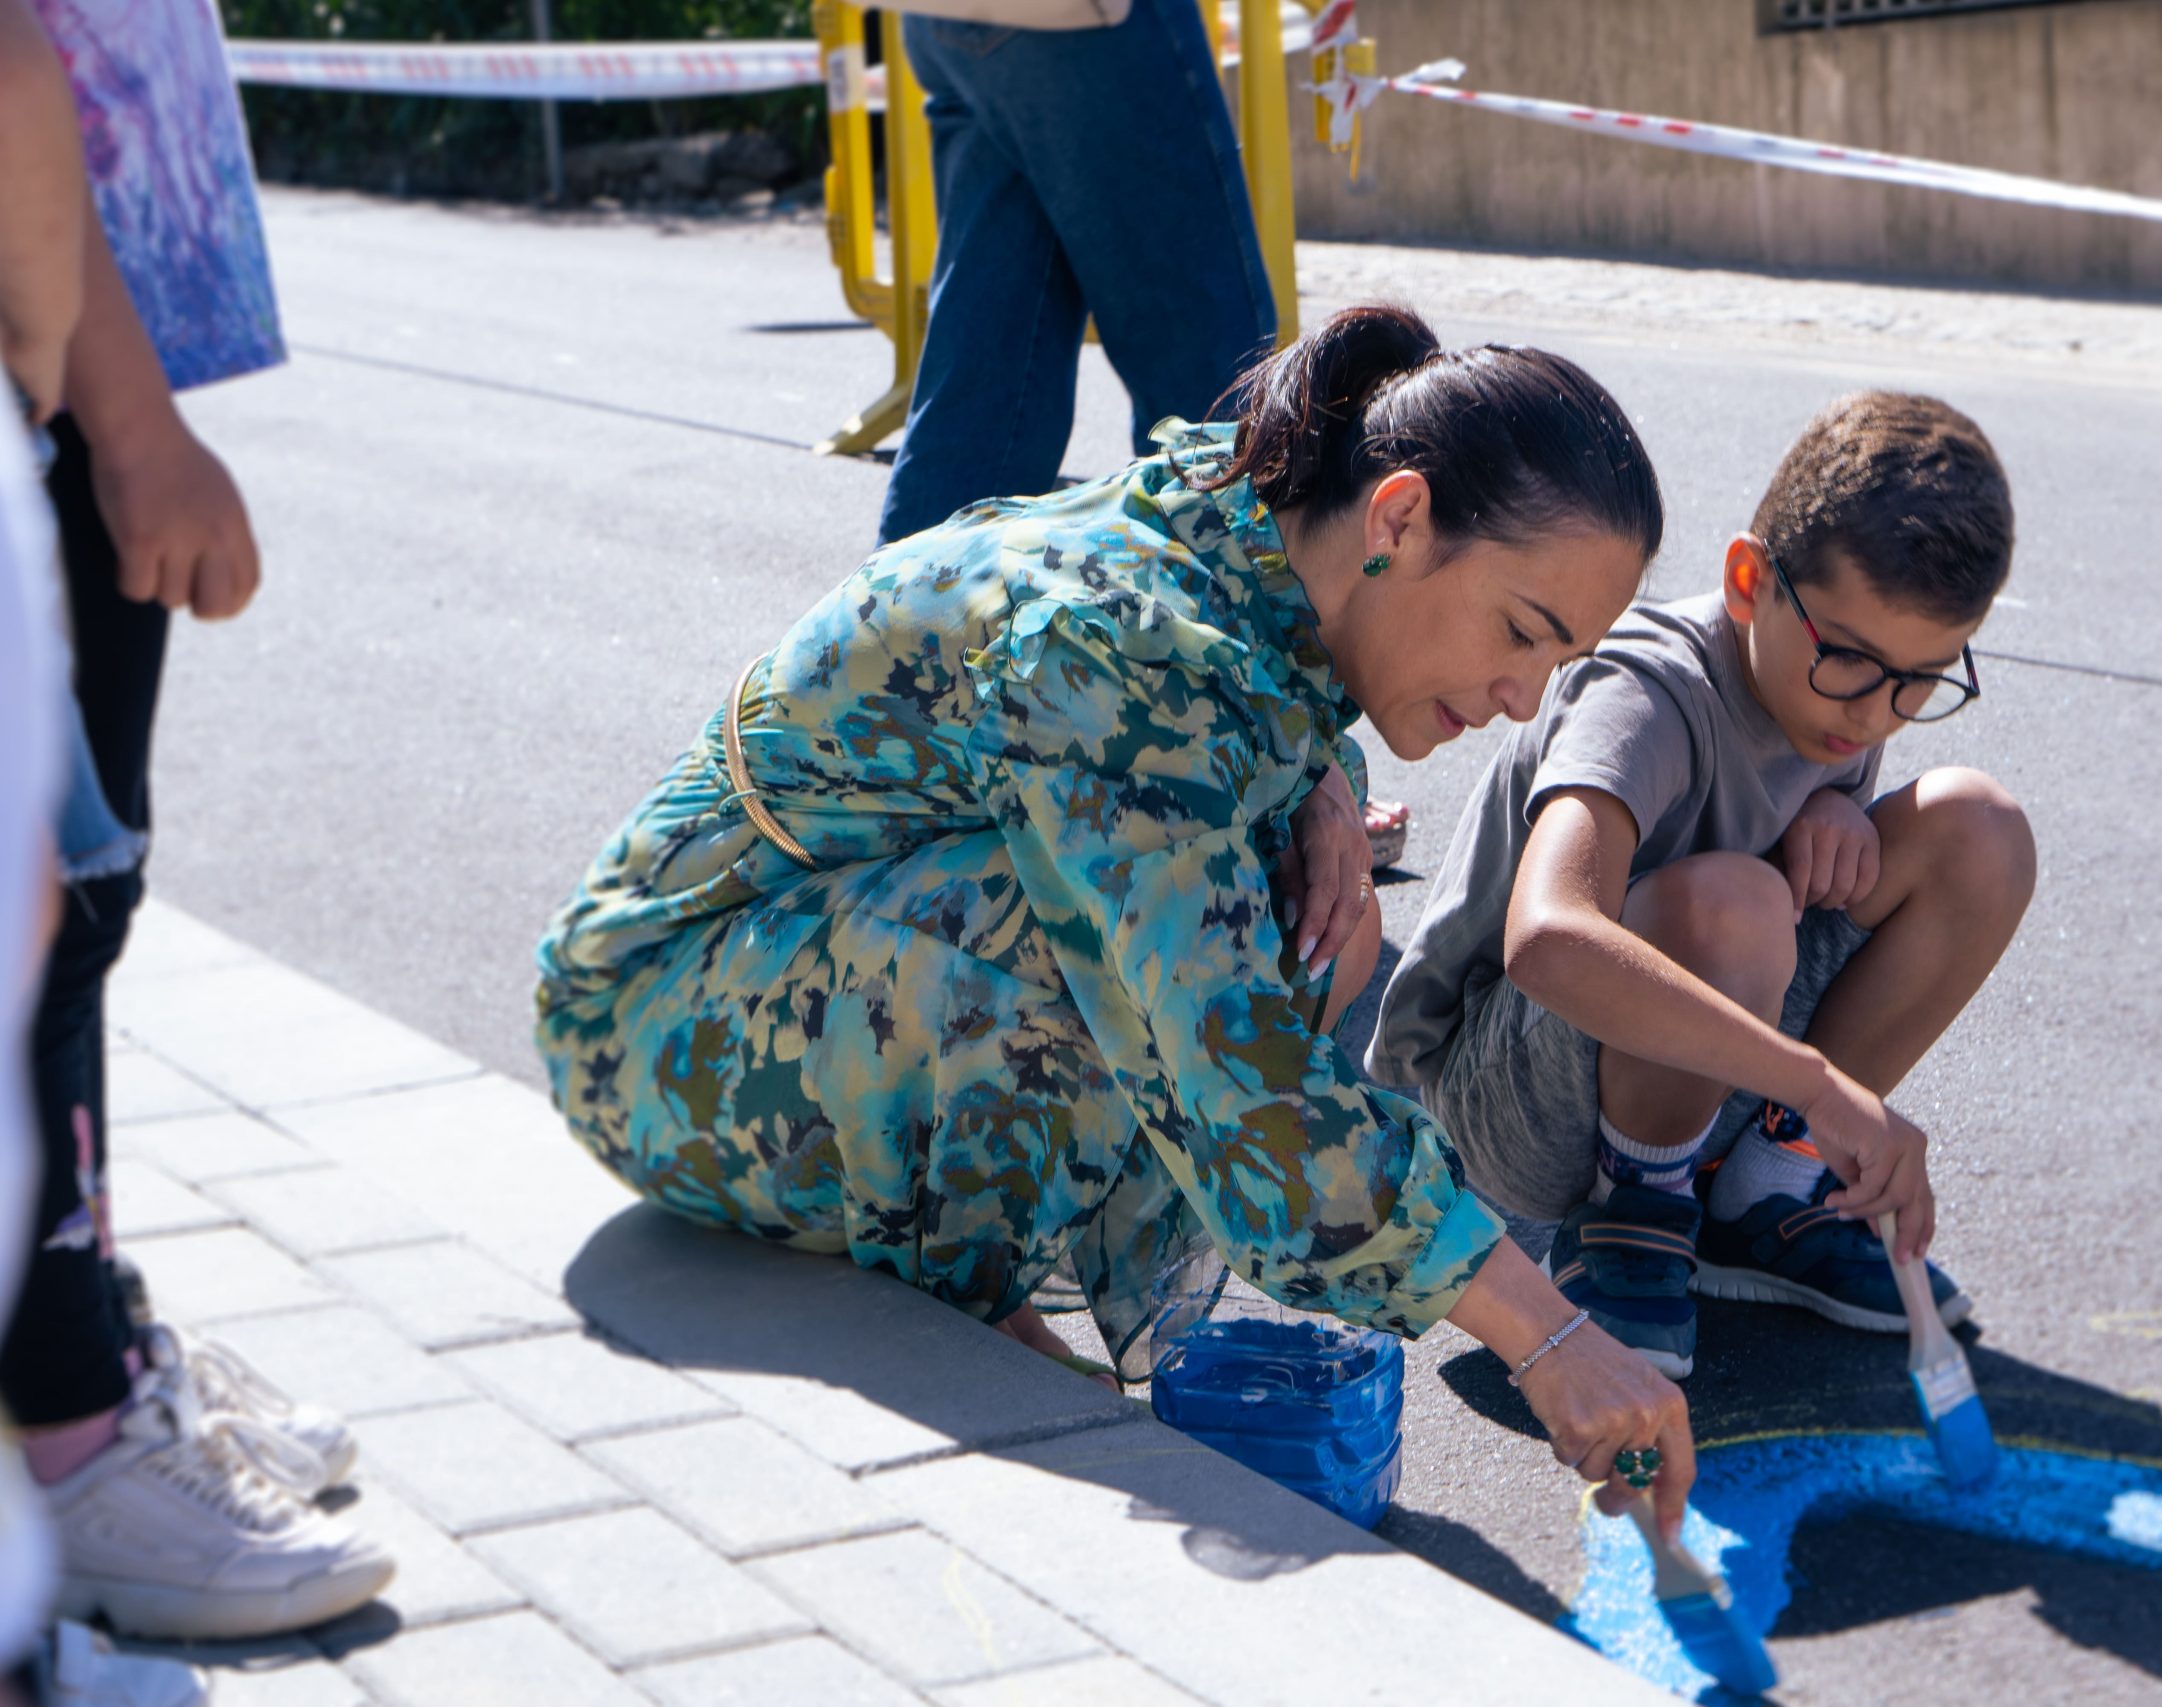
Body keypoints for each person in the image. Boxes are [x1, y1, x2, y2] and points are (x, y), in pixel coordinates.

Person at [537, 304, 1700, 1524]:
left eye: (1559, 664)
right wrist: (1548, 1336)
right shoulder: (1116, 647)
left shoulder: (1252, 526)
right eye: (1522, 633)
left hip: (771, 966)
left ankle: (957, 1260)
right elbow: (1236, 1072)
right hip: (647, 1031)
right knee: (1074, 936)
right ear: (1399, 517)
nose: (1524, 701)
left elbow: (1236, 718)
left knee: (1296, 900)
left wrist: (1320, 785)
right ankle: (965, 1304)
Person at [1366, 392, 2037, 1379]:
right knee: (1734, 902)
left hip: (1693, 1064)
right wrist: (1818, 1083)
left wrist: (1832, 815)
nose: (1876, 713)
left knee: (1979, 830)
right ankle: (1631, 1221)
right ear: (1747, 579)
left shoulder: (1832, 697)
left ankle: (1768, 1186)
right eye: (1850, 659)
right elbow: (1548, 938)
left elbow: (1838, 759)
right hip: (1503, 1107)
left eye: (1921, 680)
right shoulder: (1649, 689)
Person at [0, 0, 392, 1647]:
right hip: (63, 357)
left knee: (73, 915)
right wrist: (122, 416)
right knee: (58, 919)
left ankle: (86, 1341)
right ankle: (73, 1433)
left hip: (80, 338)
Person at [878, 0, 1413, 869]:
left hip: (950, 18)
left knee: (989, 374)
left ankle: (889, 728)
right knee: (1227, 386)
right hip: (1095, 19)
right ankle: (1274, 779)